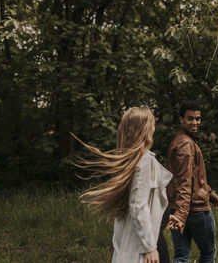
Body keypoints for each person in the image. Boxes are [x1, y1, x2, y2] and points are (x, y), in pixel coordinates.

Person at [72, 106, 174, 263]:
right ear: (145, 128)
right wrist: (149, 248)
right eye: (152, 123)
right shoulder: (144, 160)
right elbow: (138, 205)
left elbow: (146, 202)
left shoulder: (131, 159)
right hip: (141, 244)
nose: (154, 127)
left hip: (139, 237)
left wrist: (165, 216)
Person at [166, 101, 218, 263]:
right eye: (190, 118)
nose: (195, 123)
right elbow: (184, 180)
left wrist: (211, 193)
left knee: (181, 256)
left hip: (178, 207)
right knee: (208, 252)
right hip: (195, 209)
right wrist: (181, 214)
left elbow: (194, 176)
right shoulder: (185, 144)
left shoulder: (181, 140)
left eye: (198, 119)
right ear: (181, 119)